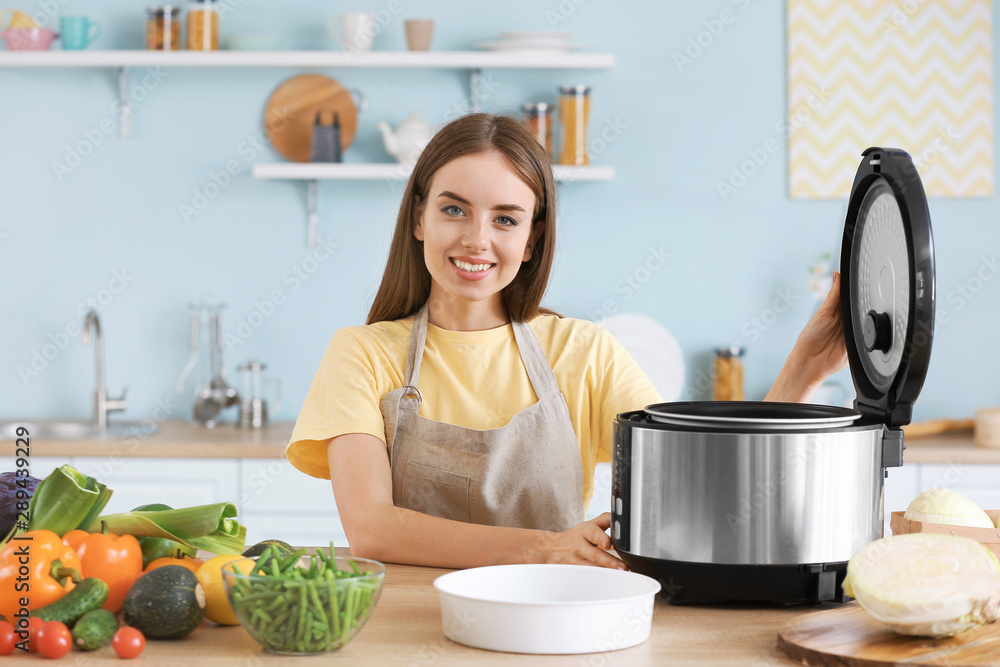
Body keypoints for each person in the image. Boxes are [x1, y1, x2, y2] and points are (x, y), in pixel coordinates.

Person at [285, 113, 847, 571]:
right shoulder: (362, 353)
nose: (476, 238)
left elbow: (703, 488)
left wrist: (804, 370)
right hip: (407, 630)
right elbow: (372, 530)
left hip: (552, 621)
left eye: (506, 219)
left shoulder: (585, 352)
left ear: (531, 241)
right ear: (419, 220)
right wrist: (542, 547)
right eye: (454, 209)